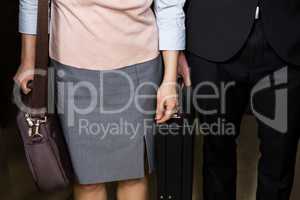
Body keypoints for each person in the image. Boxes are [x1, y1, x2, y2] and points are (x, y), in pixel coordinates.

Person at [14, 0, 186, 199]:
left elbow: (170, 7)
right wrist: (28, 60)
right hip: (72, 68)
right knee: (87, 180)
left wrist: (170, 79)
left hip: (139, 65)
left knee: (133, 176)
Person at [178, 0, 300, 199]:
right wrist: (174, 48)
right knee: (216, 151)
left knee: (281, 156)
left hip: (289, 35)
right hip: (211, 35)